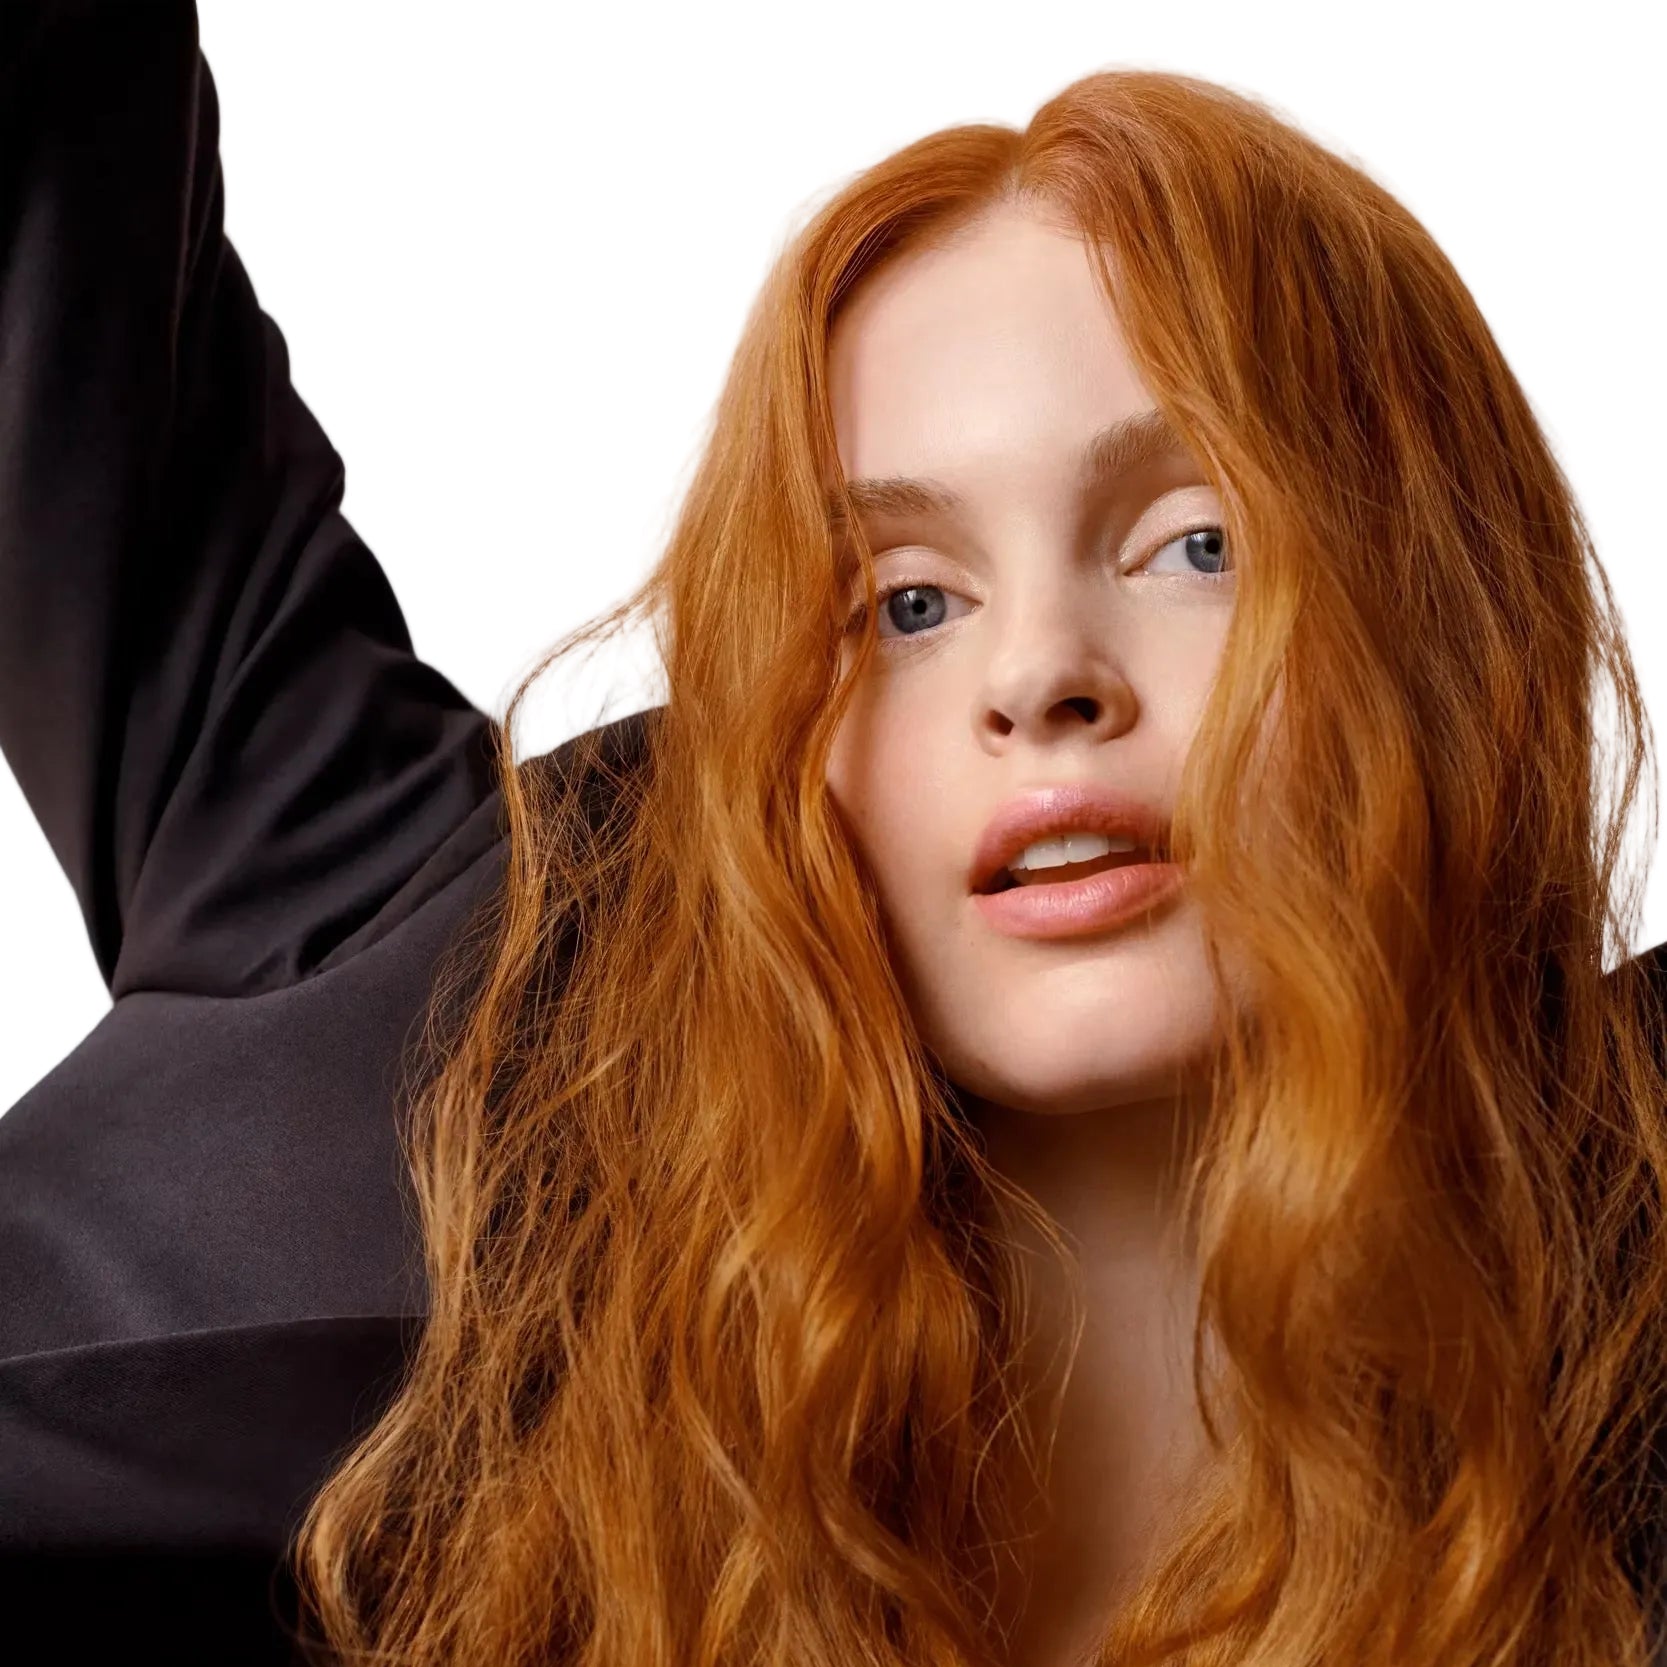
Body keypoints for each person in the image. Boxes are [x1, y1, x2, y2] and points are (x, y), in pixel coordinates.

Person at [2, 5, 1664, 1665]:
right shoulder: (409, 1008)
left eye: (1195, 546)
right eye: (910, 602)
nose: (1039, 678)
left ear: (1447, 628)